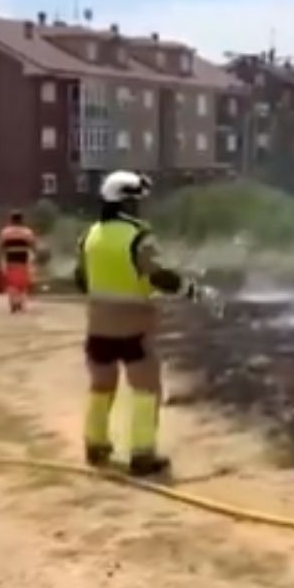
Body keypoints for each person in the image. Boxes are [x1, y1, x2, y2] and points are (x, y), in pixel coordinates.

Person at [73, 170, 211, 477]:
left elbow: (81, 280)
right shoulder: (138, 235)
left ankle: (95, 446)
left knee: (101, 387)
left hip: (97, 328)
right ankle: (142, 454)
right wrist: (193, 290)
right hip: (134, 328)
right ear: (127, 203)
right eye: (138, 201)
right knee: (146, 388)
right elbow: (158, 275)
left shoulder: (89, 236)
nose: (141, 208)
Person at [0, 210, 40, 313]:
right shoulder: (27, 232)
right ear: (22, 220)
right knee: (22, 284)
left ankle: (13, 303)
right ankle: (20, 302)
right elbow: (33, 247)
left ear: (11, 220)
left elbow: (0, 248)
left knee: (11, 283)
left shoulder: (5, 232)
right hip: (23, 261)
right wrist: (37, 257)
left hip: (10, 261)